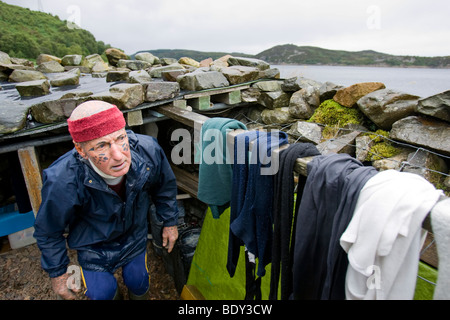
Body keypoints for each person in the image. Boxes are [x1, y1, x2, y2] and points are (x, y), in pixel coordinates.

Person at [34, 101, 179, 300]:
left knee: (138, 280)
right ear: (81, 150)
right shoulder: (63, 180)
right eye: (101, 145)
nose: (118, 155)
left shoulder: (148, 151)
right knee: (102, 293)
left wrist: (170, 222)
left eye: (121, 138)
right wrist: (58, 273)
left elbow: (164, 186)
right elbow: (48, 230)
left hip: (133, 235)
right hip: (94, 245)